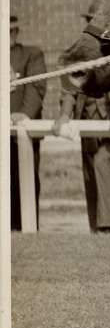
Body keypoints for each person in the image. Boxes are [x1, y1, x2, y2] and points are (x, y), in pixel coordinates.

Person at [53, 6, 110, 233]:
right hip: (86, 121)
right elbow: (69, 90)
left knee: (102, 161)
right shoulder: (78, 53)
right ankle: (96, 227)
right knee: (89, 170)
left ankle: (108, 226)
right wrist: (64, 115)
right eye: (88, 21)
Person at [9, 14, 47, 231]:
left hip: (22, 131)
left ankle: (27, 228)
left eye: (11, 31)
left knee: (25, 178)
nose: (8, 35)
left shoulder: (31, 54)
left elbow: (36, 87)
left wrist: (23, 114)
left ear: (16, 32)